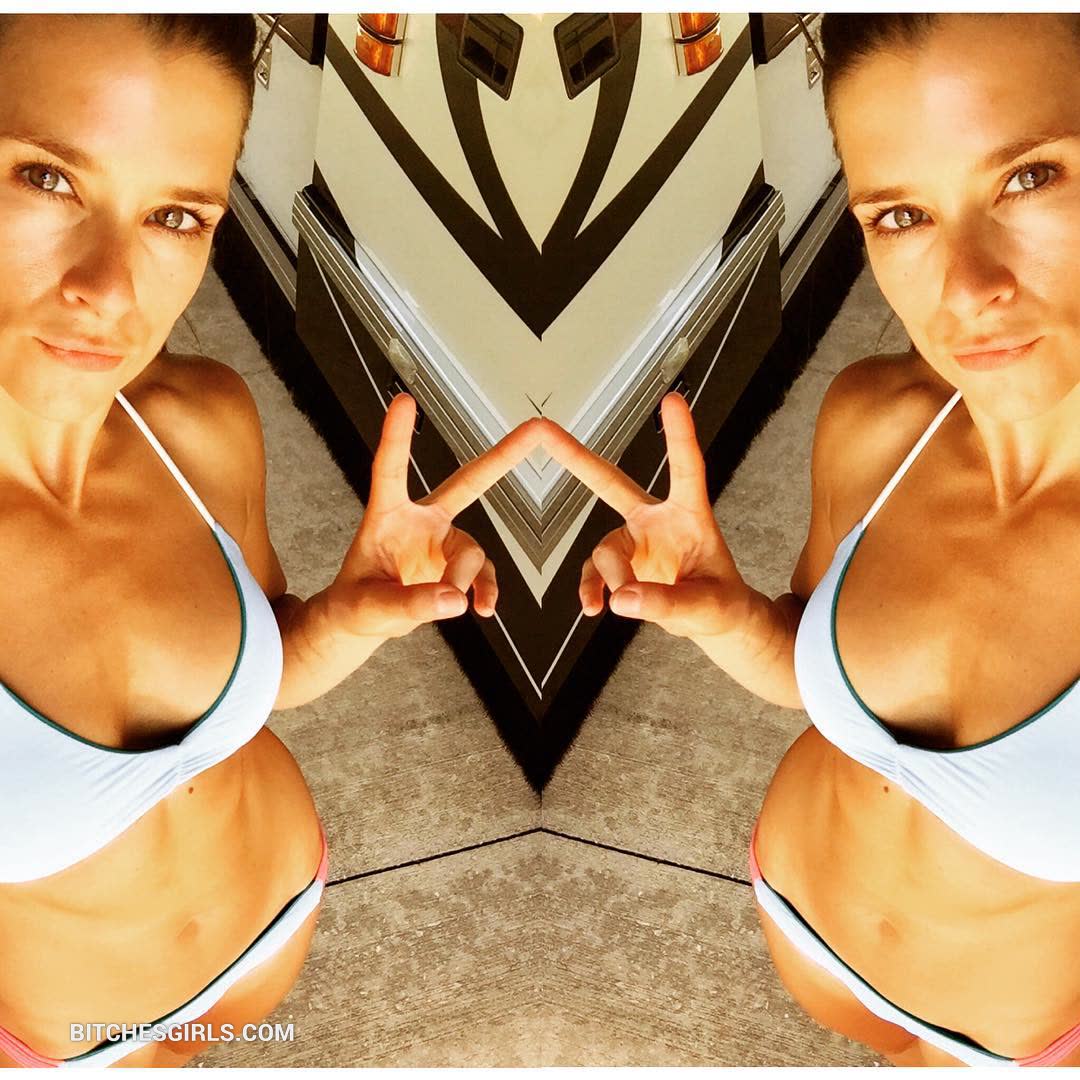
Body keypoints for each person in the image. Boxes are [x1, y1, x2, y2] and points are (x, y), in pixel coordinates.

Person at [540, 12, 1080, 1068]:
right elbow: (816, 670)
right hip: (797, 912)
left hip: (999, 1034)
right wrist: (735, 621)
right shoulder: (873, 423)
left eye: (1030, 178)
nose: (965, 287)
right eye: (902, 215)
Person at [0, 14, 541, 1068]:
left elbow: (260, 668)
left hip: (279, 918)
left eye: (174, 216)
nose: (111, 290)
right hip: (73, 1037)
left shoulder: (202, 425)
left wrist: (342, 622)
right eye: (47, 179)